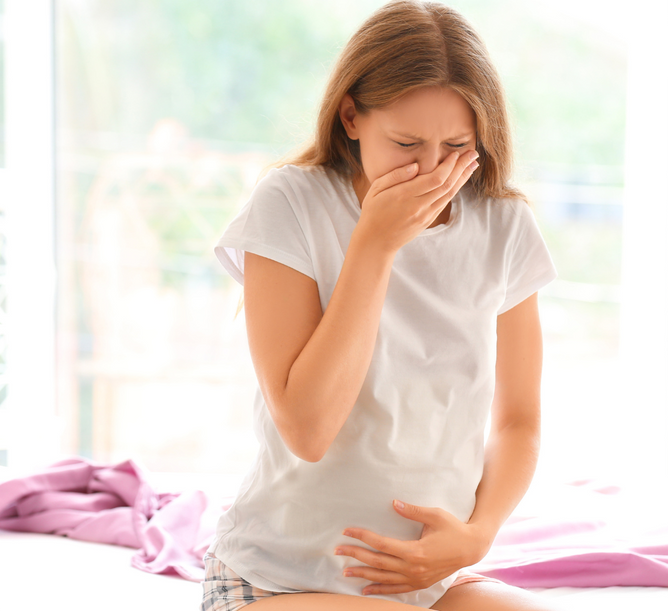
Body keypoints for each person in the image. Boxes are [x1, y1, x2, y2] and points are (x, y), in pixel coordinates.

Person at [200, 1, 561, 610]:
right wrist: (373, 245)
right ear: (351, 118)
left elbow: (518, 421)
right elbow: (308, 429)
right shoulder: (290, 204)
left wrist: (476, 536)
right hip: (280, 579)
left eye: (455, 146)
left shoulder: (503, 225)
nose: (430, 168)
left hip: (430, 584)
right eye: (406, 142)